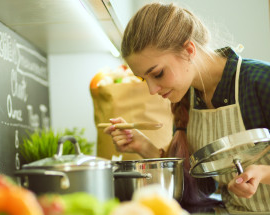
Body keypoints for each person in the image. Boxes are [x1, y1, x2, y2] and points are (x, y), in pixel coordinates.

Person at [103, 2, 270, 213]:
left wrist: (263, 172)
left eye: (158, 74)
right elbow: (201, 184)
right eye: (143, 78)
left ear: (189, 50)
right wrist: (144, 147)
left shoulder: (260, 80)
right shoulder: (186, 98)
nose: (152, 90)